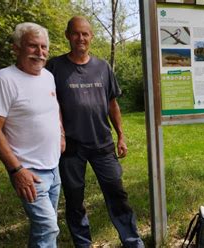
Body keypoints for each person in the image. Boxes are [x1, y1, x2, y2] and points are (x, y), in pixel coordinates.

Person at [46, 16, 144, 248]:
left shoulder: (102, 67)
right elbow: (48, 102)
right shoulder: (55, 67)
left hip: (102, 144)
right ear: (68, 35)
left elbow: (112, 104)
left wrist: (120, 135)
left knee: (117, 195)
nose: (81, 38)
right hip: (70, 146)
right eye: (76, 33)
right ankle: (83, 244)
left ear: (91, 37)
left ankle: (132, 241)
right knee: (74, 199)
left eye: (85, 34)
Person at [0, 22, 64, 247]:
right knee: (49, 227)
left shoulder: (47, 76)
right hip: (28, 170)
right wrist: (16, 170)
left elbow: (53, 107)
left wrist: (61, 135)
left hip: (53, 166)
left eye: (44, 47)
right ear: (16, 48)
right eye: (33, 46)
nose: (40, 53)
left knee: (44, 228)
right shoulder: (3, 79)